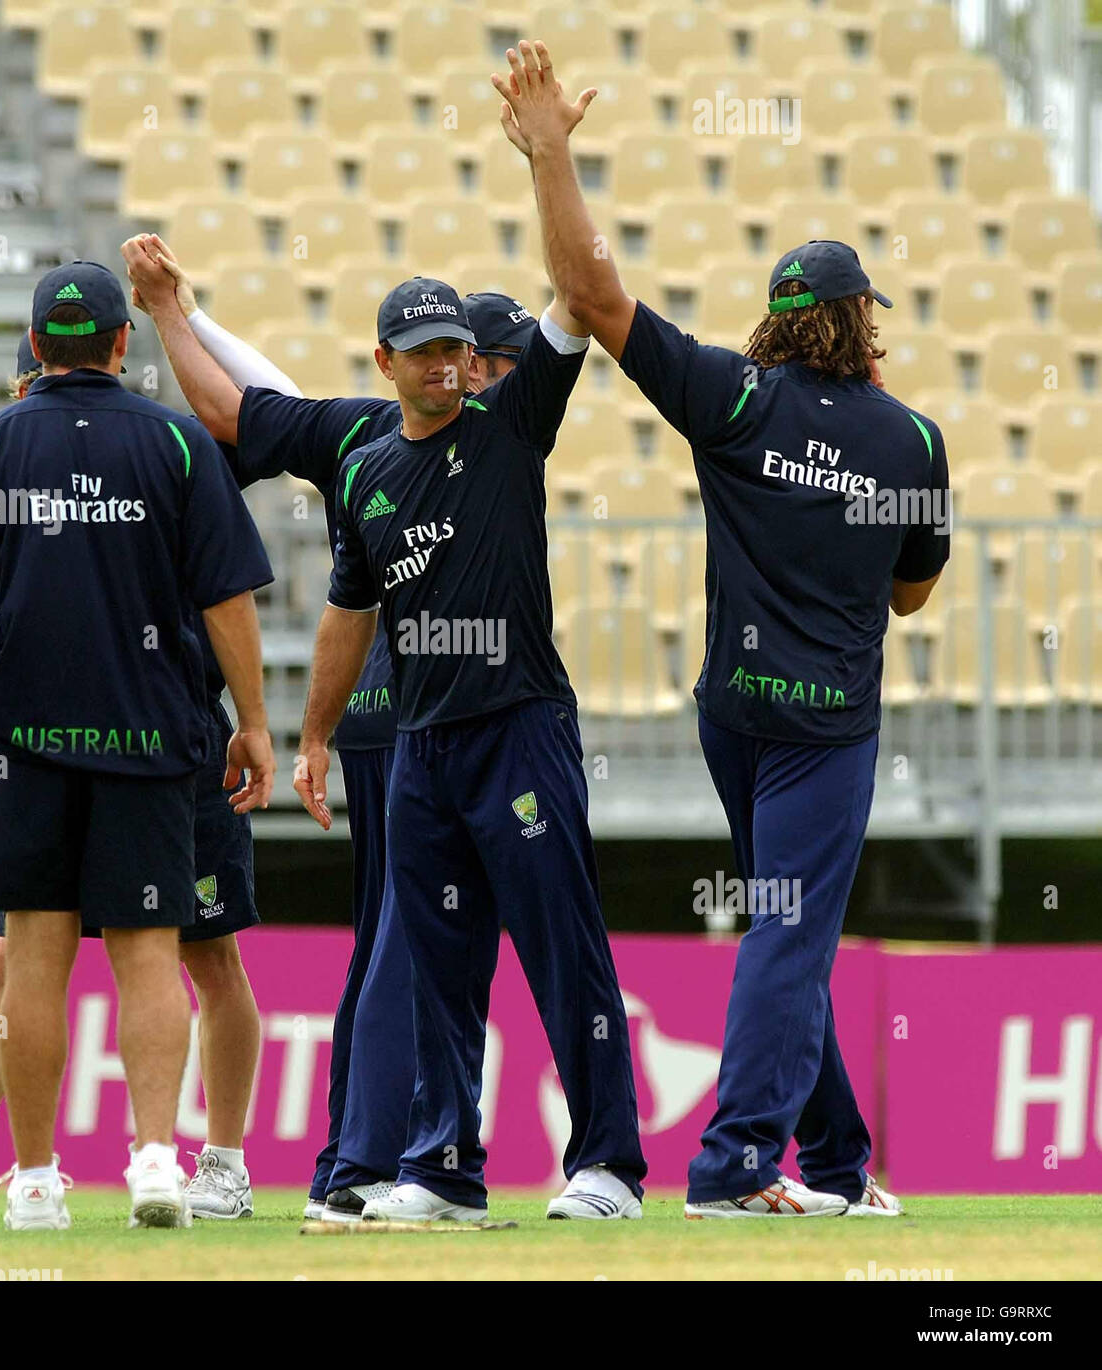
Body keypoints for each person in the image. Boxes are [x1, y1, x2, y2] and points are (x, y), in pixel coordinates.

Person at [496, 40, 949, 1218]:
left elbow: (592, 301)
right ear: (859, 323)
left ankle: (840, 1164)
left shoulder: (732, 400)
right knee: (789, 936)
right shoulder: (911, 441)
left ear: (779, 319)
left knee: (781, 932)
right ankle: (736, 1164)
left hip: (733, 715)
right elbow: (911, 595)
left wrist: (550, 156)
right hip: (826, 726)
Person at [122, 234, 546, 1221]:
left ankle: (349, 1161)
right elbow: (245, 411)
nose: (491, 377)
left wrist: (179, 314)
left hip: (375, 715)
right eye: (501, 362)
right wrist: (177, 312)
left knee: (388, 936)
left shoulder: (375, 432)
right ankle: (369, 1163)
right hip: (425, 716)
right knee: (418, 933)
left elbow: (258, 408)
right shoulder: (456, 438)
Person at [0, 261, 276, 1230]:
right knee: (151, 951)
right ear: (125, 344)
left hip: (26, 741)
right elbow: (228, 601)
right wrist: (257, 719)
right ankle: (156, 1158)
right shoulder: (181, 444)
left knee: (31, 958)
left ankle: (32, 1182)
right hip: (154, 736)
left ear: (35, 348)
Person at [293, 274, 648, 1222]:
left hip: (520, 726)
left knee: (562, 948)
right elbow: (348, 610)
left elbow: (578, 288)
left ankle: (609, 1164)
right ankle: (443, 1170)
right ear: (385, 364)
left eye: (456, 348)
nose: (447, 364)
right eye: (424, 351)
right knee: (440, 974)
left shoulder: (508, 428)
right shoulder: (366, 472)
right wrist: (315, 736)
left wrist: (547, 150)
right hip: (420, 746)